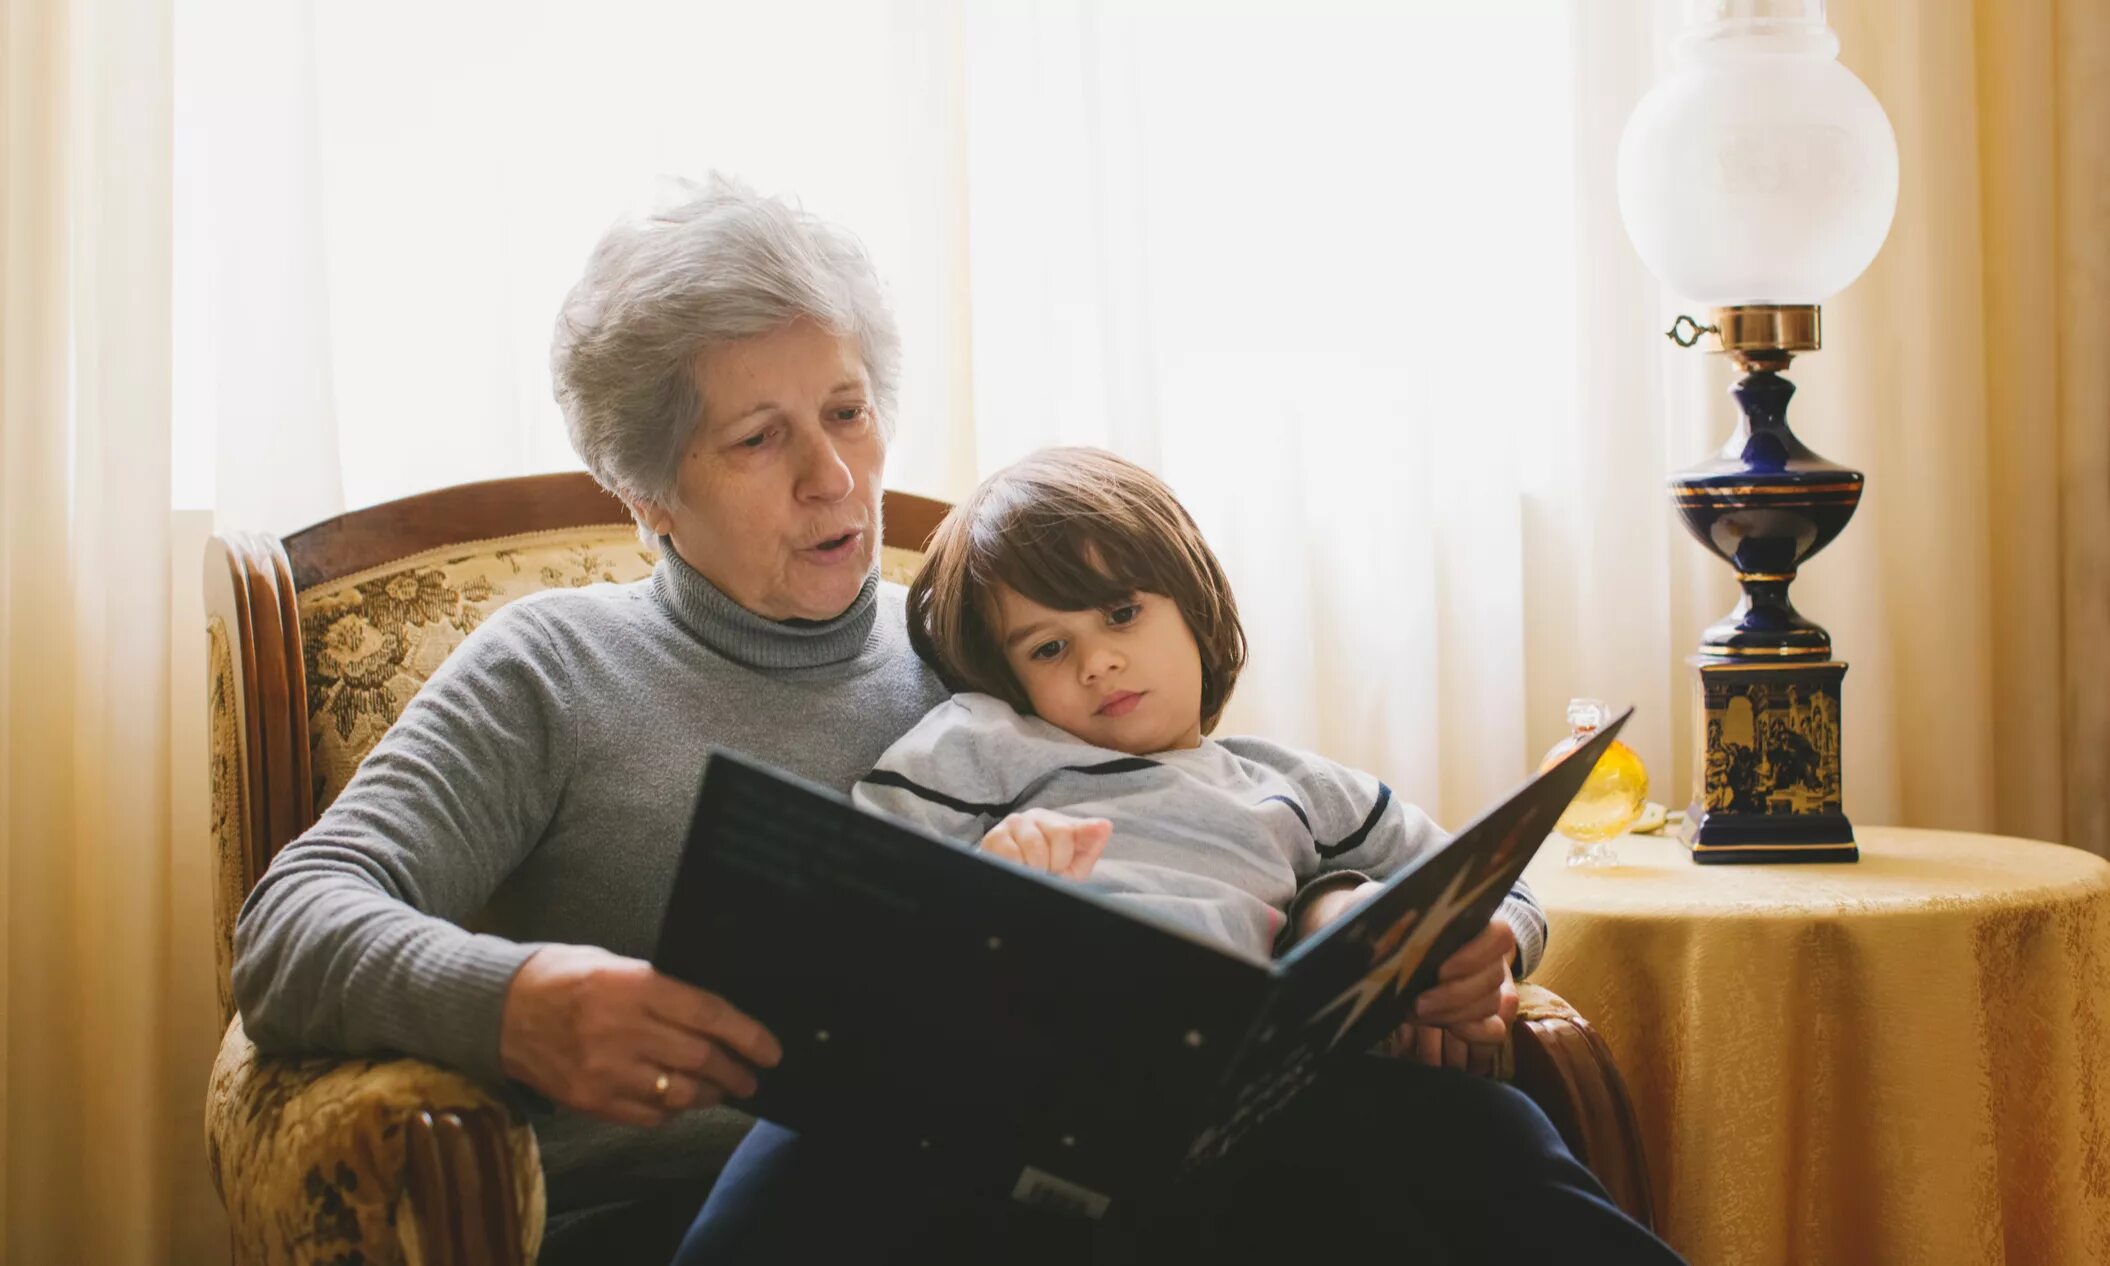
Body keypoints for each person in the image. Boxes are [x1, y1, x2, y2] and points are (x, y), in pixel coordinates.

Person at [676, 447, 1683, 1265]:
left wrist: (1487, 945)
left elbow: (1481, 875)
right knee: (822, 1154)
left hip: (1235, 1109)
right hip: (998, 1092)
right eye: (1046, 648)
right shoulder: (978, 747)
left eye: (1120, 614)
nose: (1097, 660)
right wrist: (987, 878)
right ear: (1006, 678)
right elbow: (859, 899)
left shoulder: (1289, 784)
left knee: (1483, 1130)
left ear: (1192, 608)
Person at [232, 177, 951, 1264]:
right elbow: (290, 926)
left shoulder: (972, 648)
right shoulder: (552, 668)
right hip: (663, 1229)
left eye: (847, 412)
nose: (834, 476)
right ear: (649, 495)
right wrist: (515, 1005)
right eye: (760, 439)